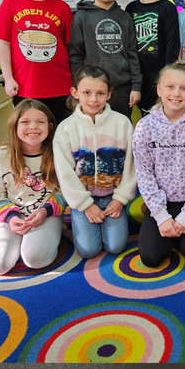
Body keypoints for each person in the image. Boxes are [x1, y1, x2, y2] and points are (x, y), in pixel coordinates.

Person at [133, 63, 185, 268]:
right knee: (150, 258)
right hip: (161, 202)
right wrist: (161, 216)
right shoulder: (145, 126)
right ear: (159, 90)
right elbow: (144, 174)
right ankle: (168, 230)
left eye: (184, 88)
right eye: (170, 87)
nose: (176, 94)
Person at [53, 66, 136, 259]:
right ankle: (80, 218)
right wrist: (85, 205)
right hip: (82, 198)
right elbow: (65, 173)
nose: (94, 99)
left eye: (100, 93)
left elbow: (131, 165)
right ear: (75, 93)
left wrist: (120, 199)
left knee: (116, 246)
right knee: (88, 250)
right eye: (87, 93)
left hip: (113, 197)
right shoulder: (66, 128)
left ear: (109, 94)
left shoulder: (122, 123)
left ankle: (113, 214)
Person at [0, 100, 66, 275]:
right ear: (14, 126)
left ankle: (52, 229)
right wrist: (11, 218)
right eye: (25, 122)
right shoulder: (1, 157)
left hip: (46, 213)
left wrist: (46, 211)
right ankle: (4, 229)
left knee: (37, 259)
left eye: (40, 122)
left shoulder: (58, 153)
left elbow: (66, 191)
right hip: (10, 215)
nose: (33, 127)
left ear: (50, 127)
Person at [0, 0, 73, 121]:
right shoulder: (10, 4)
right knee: (31, 132)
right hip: (25, 87)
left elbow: (71, 47)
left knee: (60, 133)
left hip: (60, 87)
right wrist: (8, 78)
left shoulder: (63, 8)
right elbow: (3, 43)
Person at [68, 0, 142, 120]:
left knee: (120, 128)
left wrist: (136, 86)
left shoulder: (125, 17)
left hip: (122, 87)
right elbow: (76, 55)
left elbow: (132, 53)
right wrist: (79, 86)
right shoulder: (81, 17)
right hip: (92, 89)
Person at [126, 0, 180, 116]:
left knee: (162, 116)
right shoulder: (130, 8)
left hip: (160, 76)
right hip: (137, 76)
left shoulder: (168, 7)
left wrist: (166, 78)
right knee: (144, 116)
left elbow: (172, 45)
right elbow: (128, 45)